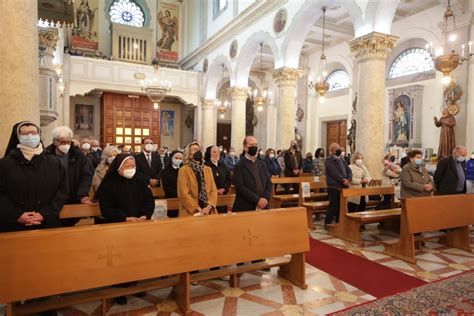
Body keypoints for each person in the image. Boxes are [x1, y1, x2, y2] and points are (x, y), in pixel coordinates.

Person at [97, 154, 154, 305]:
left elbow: (149, 200)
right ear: (119, 168)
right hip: (118, 227)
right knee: (119, 258)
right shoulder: (109, 185)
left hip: (137, 226)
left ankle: (135, 284)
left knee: (136, 256)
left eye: (132, 166)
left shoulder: (140, 181)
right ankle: (119, 290)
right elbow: (106, 208)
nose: (131, 169)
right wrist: (124, 218)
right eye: (127, 166)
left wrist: (145, 215)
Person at [0, 121, 68, 233]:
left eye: (33, 132)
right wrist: (16, 215)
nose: (30, 136)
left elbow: (62, 191)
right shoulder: (5, 164)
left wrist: (45, 214)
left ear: (39, 135)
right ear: (17, 137)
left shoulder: (54, 162)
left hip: (47, 223)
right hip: (13, 225)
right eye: (25, 134)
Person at [44, 126, 94, 226]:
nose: (66, 144)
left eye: (68, 142)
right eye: (62, 142)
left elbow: (86, 175)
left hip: (73, 197)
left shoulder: (78, 155)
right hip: (52, 200)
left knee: (69, 226)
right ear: (55, 142)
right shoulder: (46, 155)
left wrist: (82, 194)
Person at [232, 136, 272, 212]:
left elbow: (269, 183)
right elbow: (240, 187)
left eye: (256, 145)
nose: (254, 147)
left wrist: (264, 199)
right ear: (245, 147)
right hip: (246, 207)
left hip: (263, 205)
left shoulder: (262, 164)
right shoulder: (239, 166)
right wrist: (257, 201)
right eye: (251, 145)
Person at [178, 142, 218, 216]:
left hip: (208, 210)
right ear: (189, 154)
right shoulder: (184, 170)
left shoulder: (207, 169)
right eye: (195, 150)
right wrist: (198, 209)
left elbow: (213, 190)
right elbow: (183, 194)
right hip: (191, 211)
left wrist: (208, 207)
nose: (198, 151)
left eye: (199, 150)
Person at [324, 143, 352, 227]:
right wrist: (343, 180)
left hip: (343, 186)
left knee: (341, 206)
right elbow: (333, 173)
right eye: (336, 148)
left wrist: (349, 179)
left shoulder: (342, 160)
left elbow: (349, 170)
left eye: (338, 148)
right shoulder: (329, 160)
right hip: (334, 186)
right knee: (333, 205)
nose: (338, 150)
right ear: (332, 150)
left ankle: (339, 222)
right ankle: (328, 223)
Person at [205, 146, 232, 214]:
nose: (216, 154)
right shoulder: (206, 166)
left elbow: (229, 179)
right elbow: (204, 181)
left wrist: (224, 188)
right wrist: (215, 191)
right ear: (210, 154)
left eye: (218, 152)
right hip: (209, 198)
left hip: (222, 196)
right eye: (214, 152)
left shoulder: (223, 165)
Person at [161, 150, 183, 218]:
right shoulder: (166, 171)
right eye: (176, 158)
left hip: (184, 199)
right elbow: (166, 187)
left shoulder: (184, 170)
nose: (178, 160)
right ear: (172, 158)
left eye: (180, 158)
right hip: (171, 198)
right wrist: (179, 194)